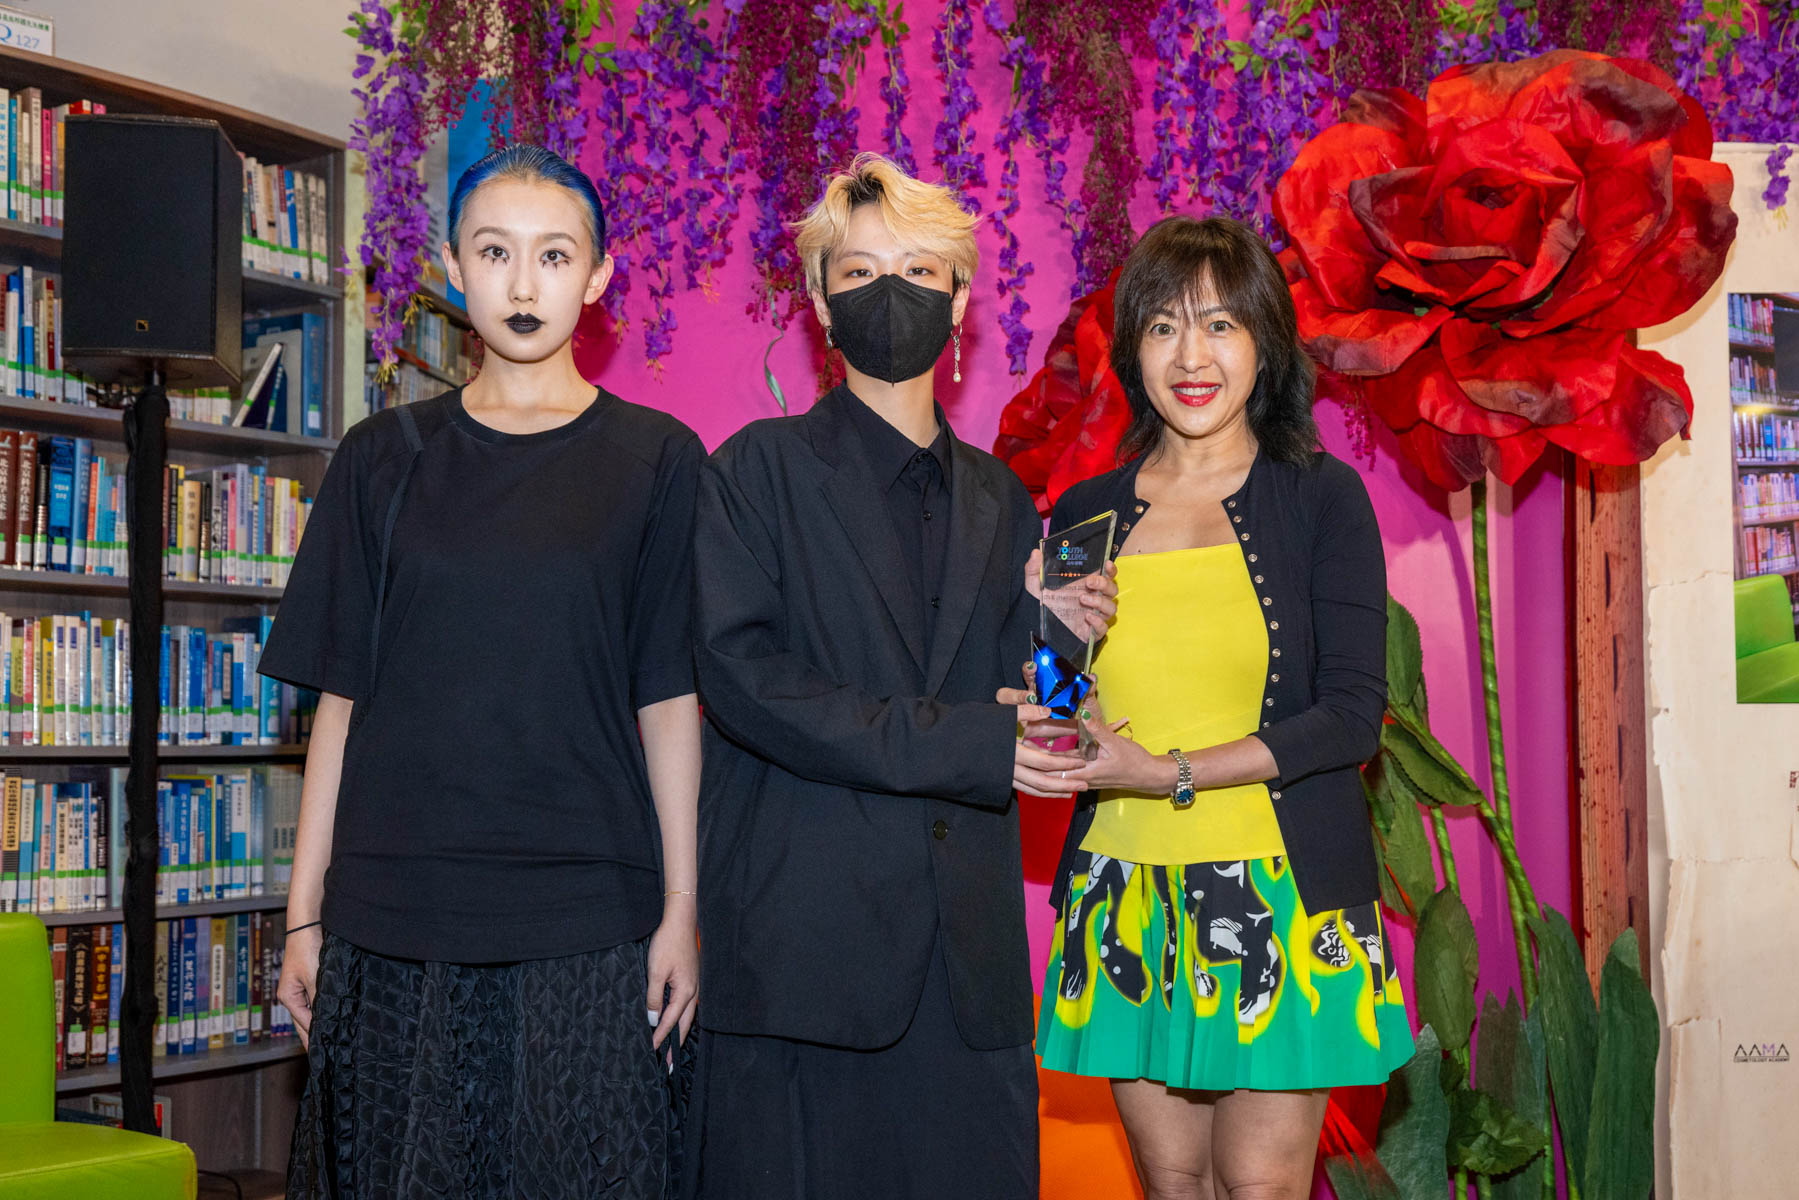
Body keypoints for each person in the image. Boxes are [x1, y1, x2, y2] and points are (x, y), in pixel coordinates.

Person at [263, 143, 704, 1199]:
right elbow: (339, 703)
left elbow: (669, 701)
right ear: (455, 269)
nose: (522, 284)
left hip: (587, 914)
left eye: (554, 255)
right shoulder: (380, 456)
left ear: (597, 277)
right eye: (495, 253)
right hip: (392, 914)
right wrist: (302, 913)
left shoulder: (659, 458)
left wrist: (682, 908)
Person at [681, 152, 1111, 1200]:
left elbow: (1038, 716)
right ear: (820, 303)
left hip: (966, 978)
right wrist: (974, 741)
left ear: (959, 303)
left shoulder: (1003, 500)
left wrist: (1065, 648)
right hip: (802, 958)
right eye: (860, 271)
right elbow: (744, 682)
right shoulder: (752, 472)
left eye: (920, 271)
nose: (891, 292)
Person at [1017, 216, 1413, 1200]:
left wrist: (1168, 773)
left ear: (1264, 344)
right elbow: (1063, 709)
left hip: (1279, 894)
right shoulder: (1082, 510)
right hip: (1123, 895)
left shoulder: (1320, 497)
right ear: (1132, 352)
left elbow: (1350, 715)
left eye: (1220, 325)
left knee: (1260, 1189)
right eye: (1162, 327)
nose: (1190, 357)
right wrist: (1041, 639)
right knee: (1170, 1185)